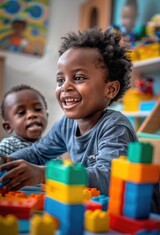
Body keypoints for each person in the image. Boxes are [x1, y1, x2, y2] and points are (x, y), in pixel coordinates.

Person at [0, 28, 137, 192]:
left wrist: (46, 174)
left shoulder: (115, 127)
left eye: (78, 78)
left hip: (132, 212)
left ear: (110, 89)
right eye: (60, 80)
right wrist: (6, 161)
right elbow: (37, 153)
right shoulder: (67, 124)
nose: (65, 87)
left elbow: (108, 177)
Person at [0, 84, 48, 163]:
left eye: (38, 109)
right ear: (8, 126)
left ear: (47, 115)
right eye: (21, 112)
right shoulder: (8, 146)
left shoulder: (51, 147)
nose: (32, 115)